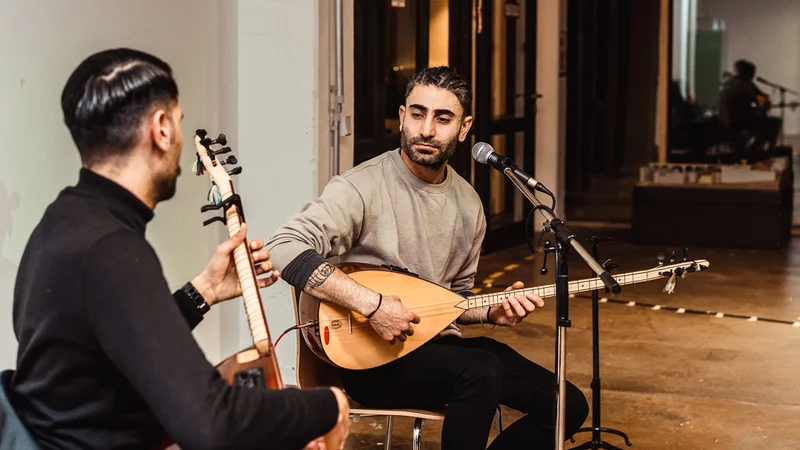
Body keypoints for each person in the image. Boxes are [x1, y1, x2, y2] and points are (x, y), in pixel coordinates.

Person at [8, 48, 349, 450]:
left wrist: (203, 291)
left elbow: (113, 345)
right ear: (162, 129)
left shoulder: (62, 221)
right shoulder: (111, 249)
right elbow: (210, 425)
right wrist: (329, 404)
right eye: (180, 121)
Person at [265, 66, 589, 450]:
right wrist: (373, 305)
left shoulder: (469, 204)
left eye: (443, 118)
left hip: (438, 349)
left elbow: (452, 301)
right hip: (370, 361)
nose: (427, 130)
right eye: (418, 114)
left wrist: (490, 311)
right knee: (480, 371)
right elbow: (282, 247)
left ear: (465, 129)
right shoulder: (361, 186)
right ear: (402, 116)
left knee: (566, 404)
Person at [718, 59, 781, 156]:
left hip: (725, 120)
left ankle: (752, 149)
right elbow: (757, 101)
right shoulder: (744, 85)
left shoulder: (730, 83)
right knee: (775, 123)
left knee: (763, 124)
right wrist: (763, 107)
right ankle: (761, 151)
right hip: (740, 121)